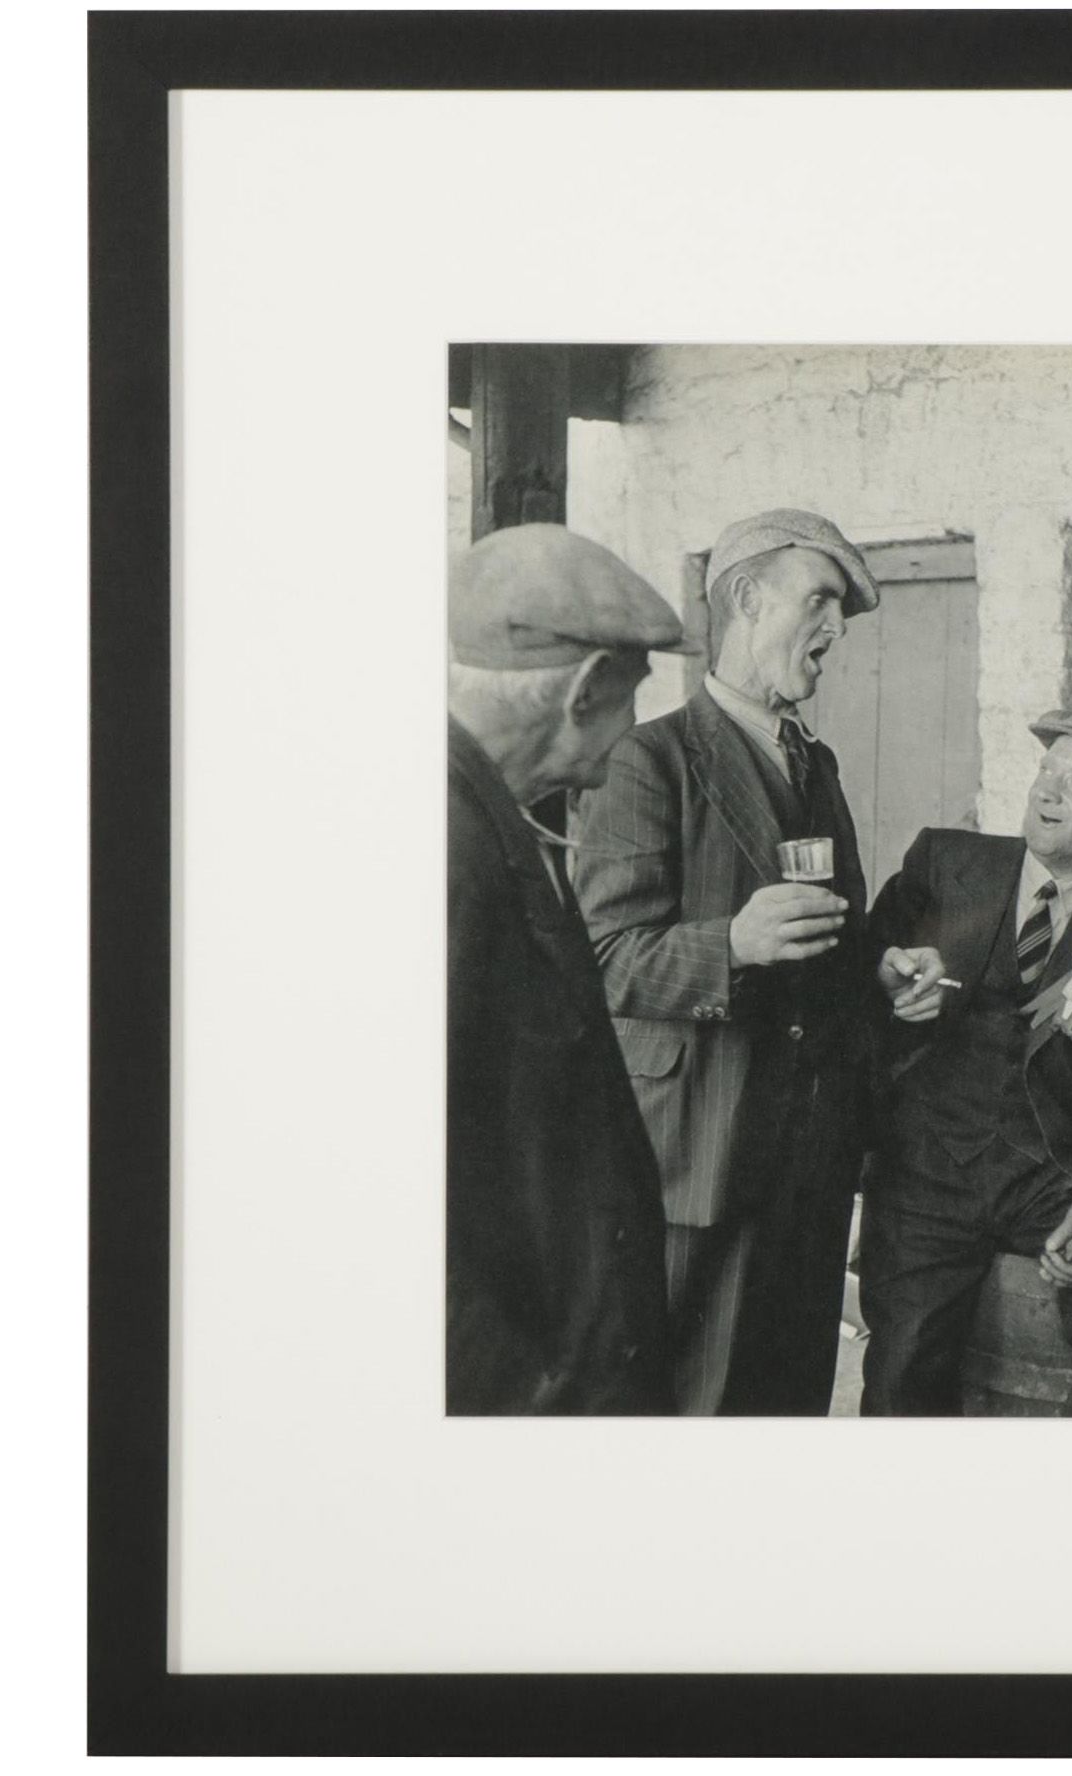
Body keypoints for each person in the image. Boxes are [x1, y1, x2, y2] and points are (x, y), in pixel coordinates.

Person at [574, 508, 928, 1414]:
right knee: (692, 1412)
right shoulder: (650, 761)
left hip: (807, 1172)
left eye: (839, 612)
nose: (834, 629)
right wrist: (731, 942)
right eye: (819, 600)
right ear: (745, 598)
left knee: (787, 1411)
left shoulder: (818, 763)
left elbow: (833, 939)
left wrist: (876, 971)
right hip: (701, 1164)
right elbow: (604, 959)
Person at [446, 522, 694, 1415]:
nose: (631, 735)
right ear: (586, 691)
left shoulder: (486, 814)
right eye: (630, 702)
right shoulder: (446, 850)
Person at [859, 705, 1072, 1416]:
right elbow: (857, 977)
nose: (1047, 793)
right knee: (903, 1375)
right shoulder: (945, 862)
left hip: (1048, 1172)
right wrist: (887, 980)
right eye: (1046, 773)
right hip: (930, 1165)